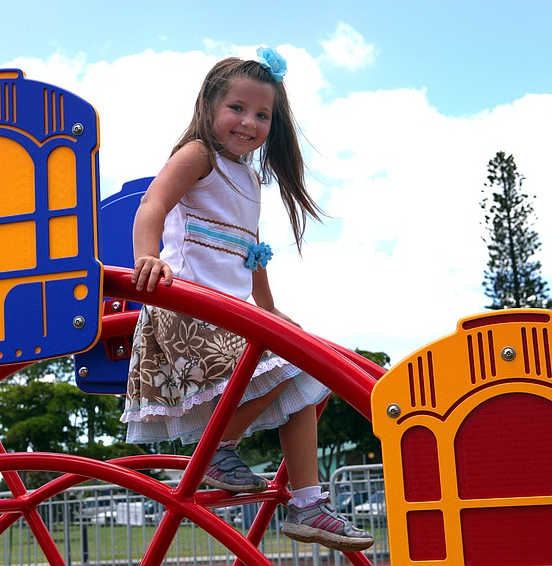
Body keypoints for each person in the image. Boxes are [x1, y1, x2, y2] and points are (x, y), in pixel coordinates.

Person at [120, 47, 374, 552]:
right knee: (296, 368)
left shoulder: (252, 179)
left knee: (307, 377)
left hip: (232, 320)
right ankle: (217, 448)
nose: (249, 122)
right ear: (210, 106)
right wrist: (148, 258)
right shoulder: (198, 157)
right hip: (188, 312)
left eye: (263, 115)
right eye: (238, 108)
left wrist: (270, 308)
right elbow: (152, 204)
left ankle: (307, 503)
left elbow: (250, 253)